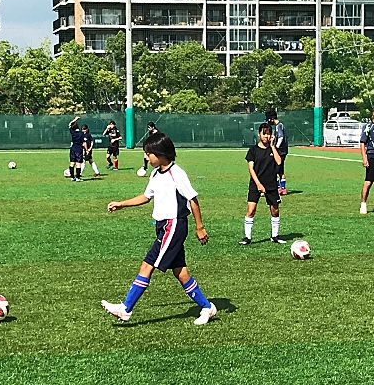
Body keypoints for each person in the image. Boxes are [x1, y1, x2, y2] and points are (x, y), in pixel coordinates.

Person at [101, 133, 216, 325]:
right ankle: (207, 307)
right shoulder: (155, 174)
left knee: (147, 265)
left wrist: (200, 227)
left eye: (148, 153)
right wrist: (122, 204)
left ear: (161, 153)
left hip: (174, 225)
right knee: (180, 272)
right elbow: (146, 197)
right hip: (163, 226)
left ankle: (126, 309)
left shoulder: (176, 173)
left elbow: (193, 200)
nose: (146, 157)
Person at [239, 122, 286, 245]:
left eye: (268, 134)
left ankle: (275, 236)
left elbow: (279, 161)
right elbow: (251, 169)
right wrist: (259, 184)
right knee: (251, 210)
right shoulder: (253, 150)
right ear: (259, 134)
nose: (266, 136)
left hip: (271, 183)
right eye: (264, 134)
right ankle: (247, 237)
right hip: (256, 183)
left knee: (275, 210)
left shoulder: (272, 148)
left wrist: (273, 146)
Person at [265, 110, 288, 195]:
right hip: (282, 151)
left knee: (276, 169)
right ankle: (281, 188)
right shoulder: (279, 126)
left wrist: (275, 147)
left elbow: (281, 138)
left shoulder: (279, 126)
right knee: (280, 171)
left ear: (272, 119)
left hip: (281, 151)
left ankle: (280, 188)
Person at [67, 116, 84, 181]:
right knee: (78, 163)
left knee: (72, 163)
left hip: (73, 148)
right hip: (79, 149)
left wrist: (75, 119)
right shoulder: (81, 133)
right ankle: (78, 177)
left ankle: (72, 177)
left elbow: (69, 124)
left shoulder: (72, 132)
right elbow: (84, 142)